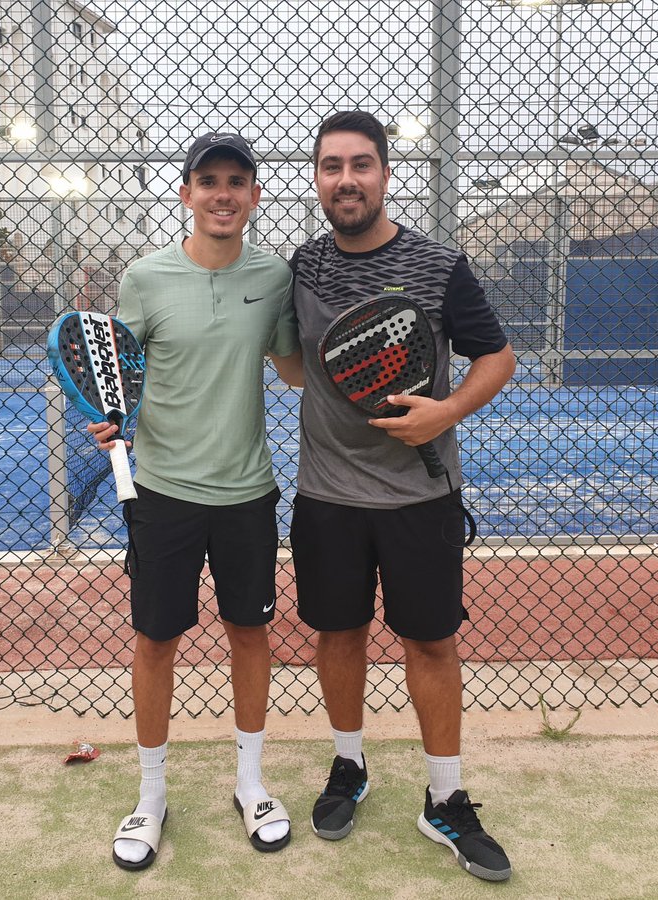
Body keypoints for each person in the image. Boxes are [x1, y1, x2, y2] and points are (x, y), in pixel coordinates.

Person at [289, 110, 517, 882]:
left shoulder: (438, 264)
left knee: (431, 644)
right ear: (317, 179)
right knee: (339, 634)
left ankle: (445, 799)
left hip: (421, 497)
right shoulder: (302, 268)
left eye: (360, 165)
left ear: (386, 174)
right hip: (328, 495)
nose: (346, 179)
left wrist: (447, 412)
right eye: (331, 166)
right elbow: (294, 363)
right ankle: (348, 765)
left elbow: (498, 356)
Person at [88, 131, 302, 871]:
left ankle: (250, 784)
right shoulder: (144, 277)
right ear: (185, 194)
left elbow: (295, 372)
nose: (222, 192)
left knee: (250, 634)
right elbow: (119, 375)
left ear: (254, 197)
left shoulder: (274, 276)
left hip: (248, 493)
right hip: (164, 493)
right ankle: (151, 796)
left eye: (237, 181)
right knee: (156, 642)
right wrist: (107, 416)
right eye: (208, 180)